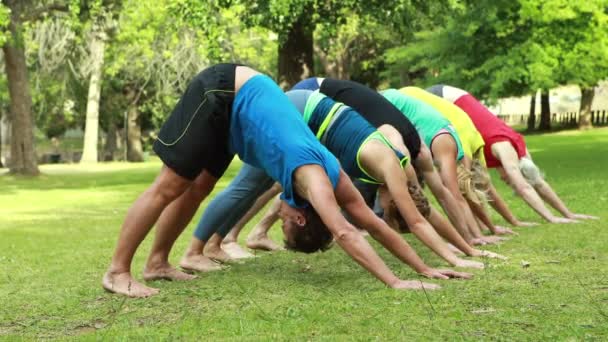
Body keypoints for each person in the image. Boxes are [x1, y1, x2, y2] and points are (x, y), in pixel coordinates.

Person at [102, 63, 470, 298]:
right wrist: (396, 280)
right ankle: (117, 272)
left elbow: (373, 223)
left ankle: (157, 263)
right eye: (285, 227)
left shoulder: (330, 173)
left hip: (235, 117)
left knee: (197, 187)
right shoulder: (317, 179)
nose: (278, 219)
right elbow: (346, 231)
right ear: (299, 217)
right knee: (171, 185)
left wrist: (424, 269)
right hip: (226, 89)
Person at [426, 85, 598, 223]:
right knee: (459, 177)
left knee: (472, 179)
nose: (506, 181)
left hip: (453, 101)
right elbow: (524, 187)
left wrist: (569, 214)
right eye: (510, 181)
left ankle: (475, 224)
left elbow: (537, 183)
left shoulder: (521, 154)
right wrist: (551, 218)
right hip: (445, 97)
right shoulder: (505, 151)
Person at [382, 89, 533, 243]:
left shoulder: (462, 148)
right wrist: (480, 235)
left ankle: (473, 234)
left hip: (422, 118)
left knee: (450, 190)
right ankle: (472, 235)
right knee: (450, 191)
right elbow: (460, 195)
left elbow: (468, 193)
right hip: (406, 108)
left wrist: (491, 229)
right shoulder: (455, 148)